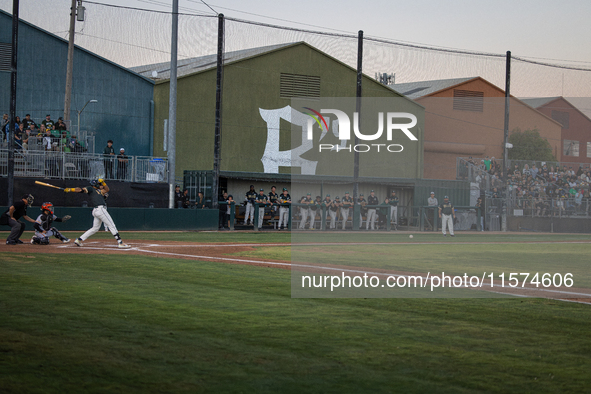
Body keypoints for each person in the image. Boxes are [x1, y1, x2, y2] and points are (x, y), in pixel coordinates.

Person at [66, 178, 130, 248]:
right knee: (111, 225)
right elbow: (80, 190)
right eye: (99, 184)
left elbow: (107, 189)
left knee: (95, 228)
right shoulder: (91, 188)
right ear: (95, 184)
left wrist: (103, 182)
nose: (101, 185)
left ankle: (79, 240)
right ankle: (120, 242)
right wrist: (70, 189)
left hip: (97, 210)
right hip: (100, 209)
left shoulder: (99, 191)